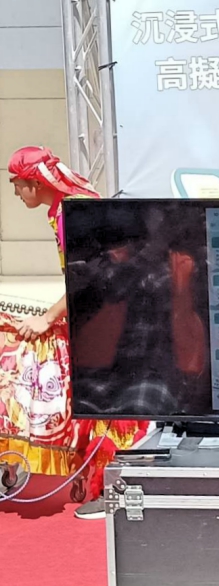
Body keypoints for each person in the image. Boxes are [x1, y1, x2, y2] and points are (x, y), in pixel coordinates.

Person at [3, 146, 145, 519]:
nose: (15, 193)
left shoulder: (71, 213)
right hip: (100, 314)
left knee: (103, 404)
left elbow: (91, 278)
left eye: (16, 184)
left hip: (107, 317)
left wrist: (48, 317)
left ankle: (109, 492)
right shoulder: (66, 209)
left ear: (34, 183)